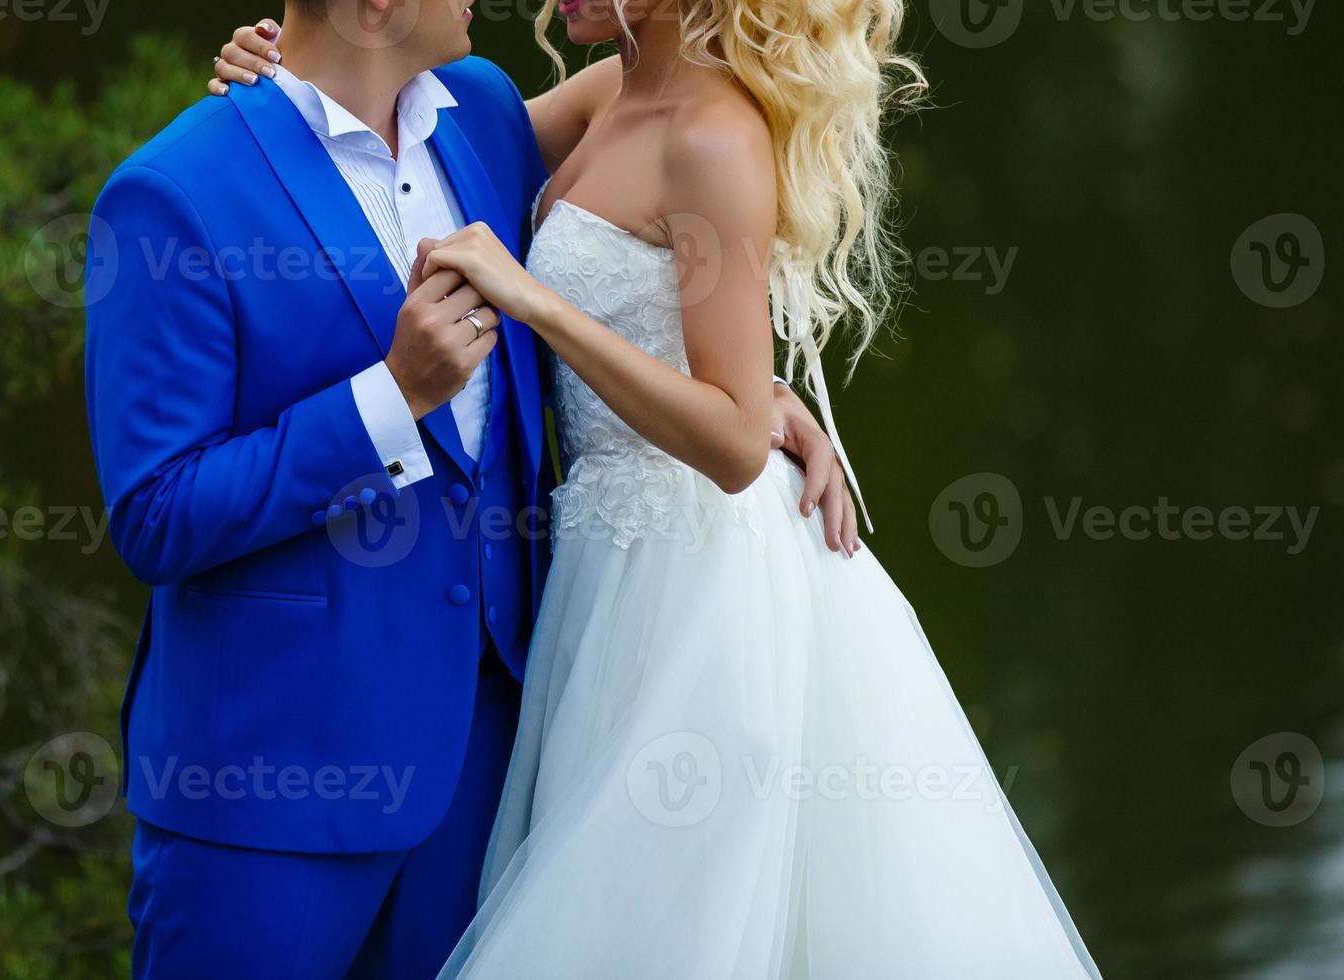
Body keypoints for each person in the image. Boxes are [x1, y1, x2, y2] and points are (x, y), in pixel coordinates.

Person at [209, 1, 1103, 976]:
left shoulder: (715, 138)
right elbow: (416, 154)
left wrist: (536, 302)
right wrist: (288, 75)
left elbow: (729, 447)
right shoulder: (606, 93)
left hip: (696, 589)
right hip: (593, 568)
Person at [84, 1, 847, 976]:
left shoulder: (485, 114)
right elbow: (154, 514)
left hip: (494, 764)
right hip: (268, 789)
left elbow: (641, 226)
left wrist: (752, 392)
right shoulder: (174, 193)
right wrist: (391, 399)